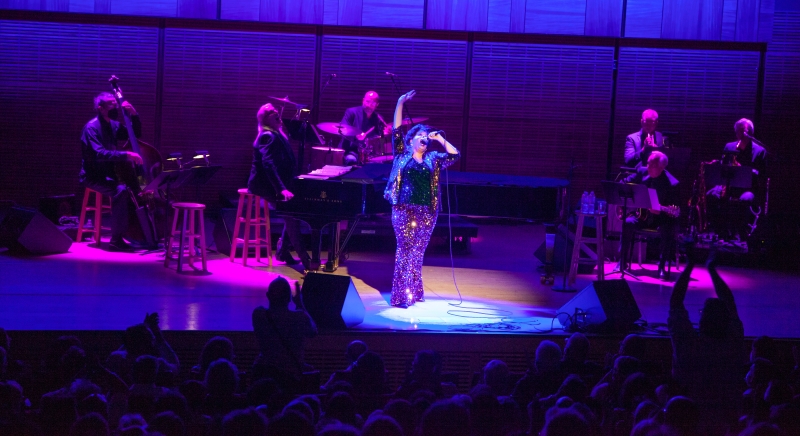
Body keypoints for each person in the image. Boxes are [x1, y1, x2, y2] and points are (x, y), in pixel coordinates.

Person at [384, 90, 459, 308]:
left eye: (427, 137)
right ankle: (400, 296)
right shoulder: (401, 153)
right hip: (403, 209)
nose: (425, 138)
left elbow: (455, 155)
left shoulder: (433, 159)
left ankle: (414, 292)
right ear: (411, 140)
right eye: (421, 135)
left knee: (417, 252)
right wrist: (399, 102)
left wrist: (440, 138)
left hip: (427, 212)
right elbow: (397, 130)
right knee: (405, 249)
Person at [669, 248, 746, 434]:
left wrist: (689, 265)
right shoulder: (732, 348)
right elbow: (730, 305)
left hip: (686, 422)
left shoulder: (688, 348)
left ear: (702, 321)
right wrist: (711, 269)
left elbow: (675, 303)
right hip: (725, 424)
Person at [247, 103, 311, 270]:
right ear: (265, 119)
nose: (276, 112)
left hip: (277, 183)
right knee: (291, 215)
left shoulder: (276, 133)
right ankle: (307, 262)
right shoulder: (267, 136)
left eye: (276, 110)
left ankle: (282, 251)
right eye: (271, 112)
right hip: (266, 186)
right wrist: (281, 189)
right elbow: (268, 165)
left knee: (294, 212)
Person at [79, 92, 144, 251]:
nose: (116, 106)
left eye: (116, 103)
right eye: (111, 104)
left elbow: (134, 134)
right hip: (94, 176)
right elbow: (99, 154)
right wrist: (126, 154)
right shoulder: (91, 128)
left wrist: (134, 115)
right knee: (120, 191)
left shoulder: (114, 125)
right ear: (101, 108)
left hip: (109, 174)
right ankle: (116, 241)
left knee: (133, 189)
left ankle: (137, 233)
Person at [616, 151, 680, 279]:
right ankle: (621, 262)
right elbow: (623, 183)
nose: (648, 166)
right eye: (648, 163)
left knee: (667, 229)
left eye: (652, 165)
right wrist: (622, 201)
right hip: (641, 215)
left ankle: (661, 266)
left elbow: (676, 209)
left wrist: (661, 210)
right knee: (627, 223)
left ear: (661, 168)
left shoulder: (672, 184)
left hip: (661, 218)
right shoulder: (642, 171)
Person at [707, 118, 767, 241]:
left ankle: (740, 233)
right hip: (729, 185)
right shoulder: (729, 146)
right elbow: (723, 166)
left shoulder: (760, 151)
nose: (740, 134)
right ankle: (720, 230)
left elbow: (762, 174)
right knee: (711, 195)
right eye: (738, 131)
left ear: (750, 132)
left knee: (744, 200)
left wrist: (744, 170)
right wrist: (717, 163)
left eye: (744, 131)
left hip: (748, 187)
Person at [252, 277, 318, 382]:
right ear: (289, 298)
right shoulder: (299, 317)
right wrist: (300, 304)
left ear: (268, 296)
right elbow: (313, 331)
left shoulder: (259, 315)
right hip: (291, 377)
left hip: (265, 374)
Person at [339, 91, 390, 166]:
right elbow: (342, 130)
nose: (369, 105)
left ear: (377, 105)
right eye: (367, 101)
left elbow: (379, 140)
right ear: (363, 100)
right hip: (351, 150)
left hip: (369, 154)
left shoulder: (378, 118)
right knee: (351, 160)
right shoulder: (351, 112)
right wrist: (355, 136)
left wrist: (385, 135)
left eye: (373, 103)